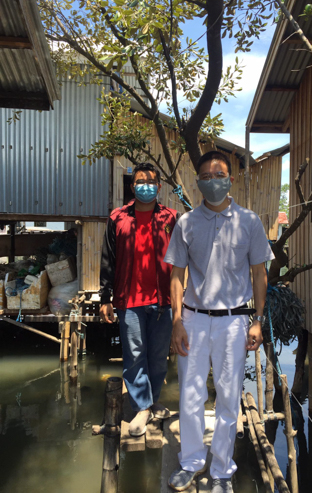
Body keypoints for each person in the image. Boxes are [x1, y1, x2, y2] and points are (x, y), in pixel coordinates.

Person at [164, 151, 274, 493]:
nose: (214, 181)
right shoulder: (186, 223)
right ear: (198, 182)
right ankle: (192, 462)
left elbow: (259, 273)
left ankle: (222, 471)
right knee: (191, 395)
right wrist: (177, 320)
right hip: (194, 319)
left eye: (220, 174)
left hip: (234, 322)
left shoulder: (249, 221)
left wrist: (257, 319)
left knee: (228, 396)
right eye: (207, 175)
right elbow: (176, 275)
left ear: (230, 179)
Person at [99, 162, 179, 437]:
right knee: (134, 357)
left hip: (163, 300)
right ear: (132, 186)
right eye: (140, 181)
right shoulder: (118, 217)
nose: (146, 185)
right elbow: (108, 259)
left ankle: (150, 401)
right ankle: (143, 407)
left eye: (151, 181)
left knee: (158, 357)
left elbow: (181, 260)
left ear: (159, 186)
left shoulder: (170, 218)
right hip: (128, 300)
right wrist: (105, 297)